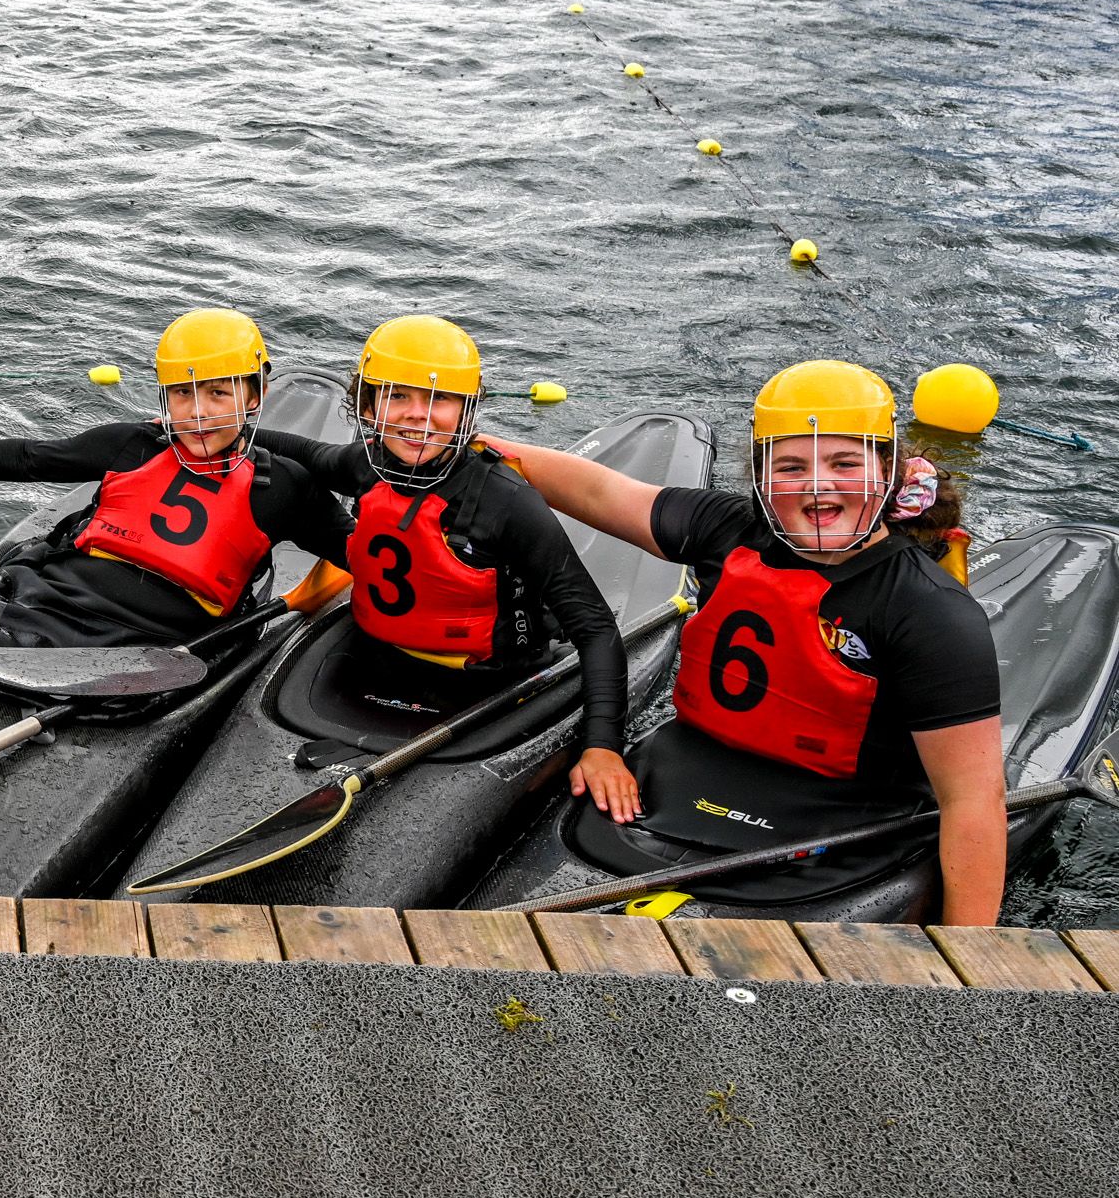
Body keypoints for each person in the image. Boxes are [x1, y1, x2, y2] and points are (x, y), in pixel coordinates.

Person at [492, 360, 1005, 924]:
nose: (817, 485)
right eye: (791, 465)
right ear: (760, 475)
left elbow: (974, 803)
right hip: (692, 771)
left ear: (886, 469)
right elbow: (599, 490)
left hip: (845, 815)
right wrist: (471, 444)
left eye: (843, 463)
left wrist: (966, 954)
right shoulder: (728, 528)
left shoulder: (929, 610)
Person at [251, 315, 638, 820]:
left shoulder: (505, 501)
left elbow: (593, 626)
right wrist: (231, 432)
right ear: (368, 405)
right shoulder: (367, 464)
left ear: (466, 412)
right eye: (398, 398)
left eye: (441, 400)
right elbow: (311, 453)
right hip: (380, 653)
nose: (420, 417)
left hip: (484, 679)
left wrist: (604, 744)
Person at [0, 307, 353, 647]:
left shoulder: (286, 486)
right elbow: (29, 458)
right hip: (56, 601)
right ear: (165, 395)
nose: (200, 413)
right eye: (183, 395)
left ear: (256, 394)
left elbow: (366, 556)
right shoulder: (135, 444)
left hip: (166, 638)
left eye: (217, 394)